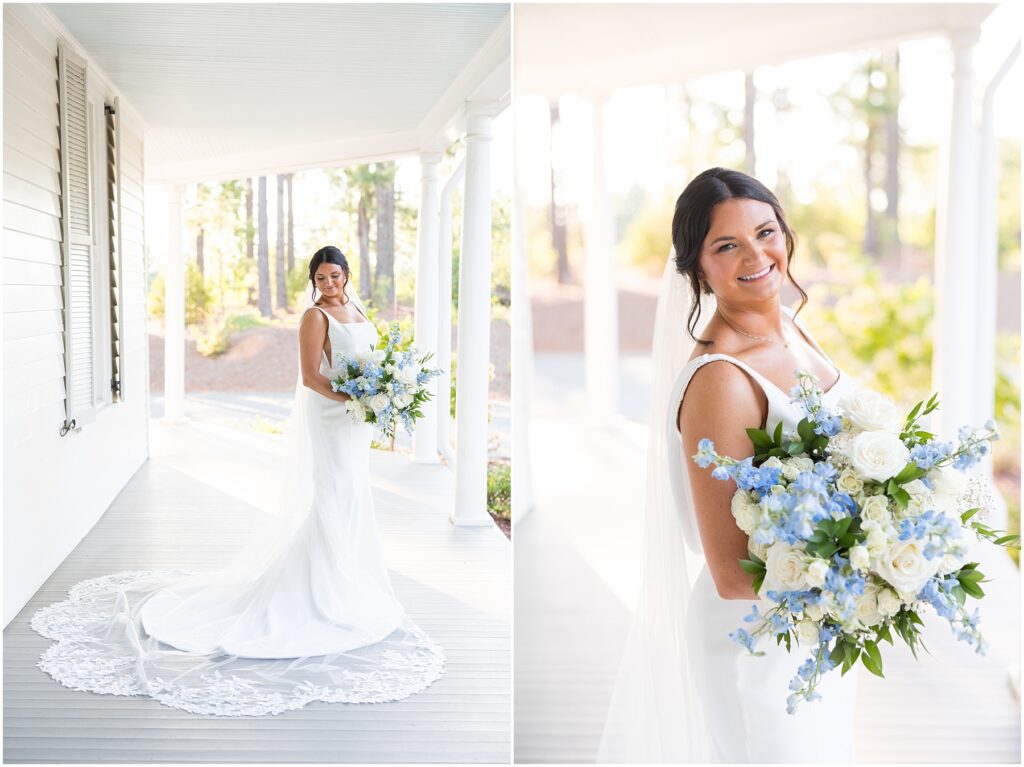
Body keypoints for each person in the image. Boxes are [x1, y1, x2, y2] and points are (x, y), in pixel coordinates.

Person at [30, 246, 444, 716]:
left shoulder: (357, 307)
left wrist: (380, 394)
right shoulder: (314, 318)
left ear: (347, 274)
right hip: (333, 417)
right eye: (321, 277)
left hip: (355, 420)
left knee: (351, 498)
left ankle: (345, 579)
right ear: (313, 280)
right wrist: (356, 399)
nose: (329, 284)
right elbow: (310, 377)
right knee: (332, 495)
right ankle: (317, 593)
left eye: (335, 276)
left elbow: (373, 359)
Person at [597, 168, 856, 762]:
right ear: (697, 269)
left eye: (765, 232)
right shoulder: (721, 380)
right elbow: (733, 574)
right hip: (760, 645)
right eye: (726, 245)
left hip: (817, 623)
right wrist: (866, 572)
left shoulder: (789, 324)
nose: (757, 255)